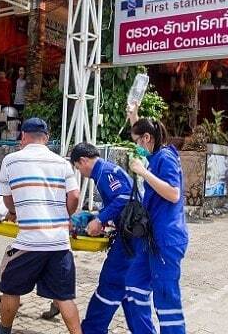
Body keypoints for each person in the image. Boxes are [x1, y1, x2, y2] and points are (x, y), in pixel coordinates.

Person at [0, 118, 82, 334]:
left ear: (23, 136)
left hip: (29, 243)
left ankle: (3, 331)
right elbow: (74, 196)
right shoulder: (62, 163)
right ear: (45, 139)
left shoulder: (11, 160)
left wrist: (14, 212)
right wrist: (65, 215)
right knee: (64, 297)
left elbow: (7, 198)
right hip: (59, 244)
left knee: (10, 288)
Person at [70, 143, 153, 334]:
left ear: (83, 161)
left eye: (77, 167)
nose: (80, 172)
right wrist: (100, 216)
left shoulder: (105, 172)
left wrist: (100, 219)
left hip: (129, 243)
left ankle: (92, 330)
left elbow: (124, 197)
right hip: (134, 240)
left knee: (111, 283)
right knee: (130, 292)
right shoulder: (106, 171)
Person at [123, 104, 189, 333]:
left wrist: (143, 172)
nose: (137, 147)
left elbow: (173, 193)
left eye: (138, 141)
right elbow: (142, 133)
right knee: (134, 286)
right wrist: (134, 116)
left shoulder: (166, 157)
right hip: (152, 239)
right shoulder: (156, 153)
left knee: (165, 298)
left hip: (166, 239)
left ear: (147, 138)